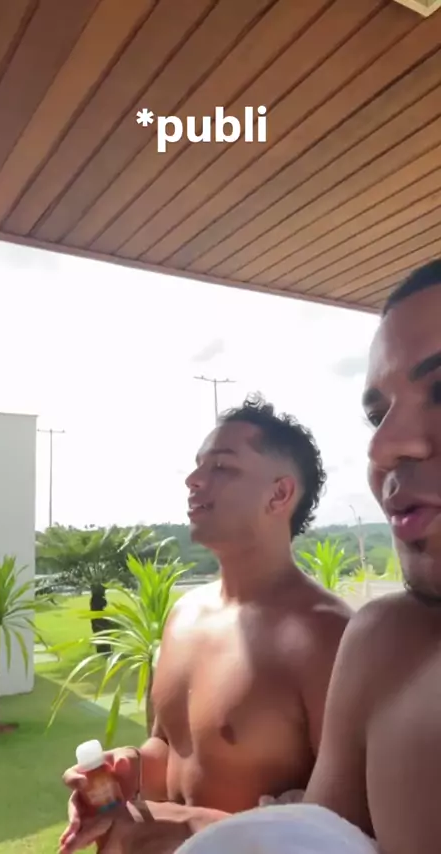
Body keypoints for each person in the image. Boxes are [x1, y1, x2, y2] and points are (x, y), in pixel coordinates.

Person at [177, 259, 441, 854]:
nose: (382, 445)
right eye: (377, 414)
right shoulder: (385, 647)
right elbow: (310, 839)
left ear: (281, 495)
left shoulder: (323, 634)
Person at [60, 395, 351, 852]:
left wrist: (188, 825)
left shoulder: (328, 637)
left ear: (279, 494)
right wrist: (126, 769)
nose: (193, 480)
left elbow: (347, 829)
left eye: (222, 467)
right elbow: (171, 751)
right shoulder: (184, 616)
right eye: (198, 466)